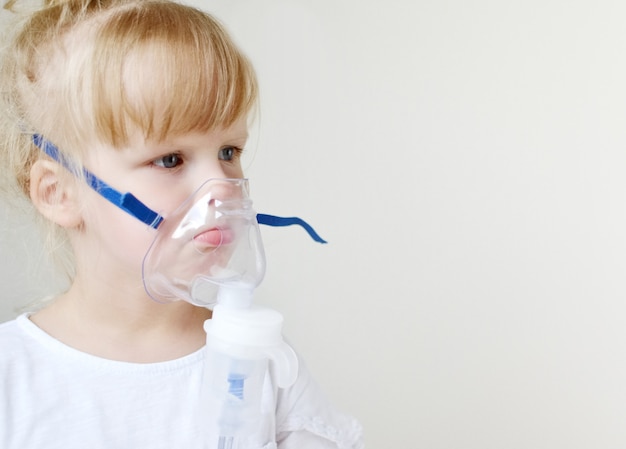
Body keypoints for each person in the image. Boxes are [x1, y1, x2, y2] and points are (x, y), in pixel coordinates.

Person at [0, 1, 363, 448]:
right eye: (171, 159)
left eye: (229, 151)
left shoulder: (259, 362)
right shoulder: (13, 377)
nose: (223, 188)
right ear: (59, 193)